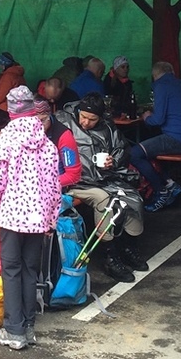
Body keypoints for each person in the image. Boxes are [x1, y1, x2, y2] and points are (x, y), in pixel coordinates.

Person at [0, 85, 62, 350]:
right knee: (30, 270)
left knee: (11, 270)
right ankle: (28, 327)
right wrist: (51, 219)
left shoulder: (5, 141)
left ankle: (14, 329)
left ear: (10, 111)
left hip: (12, 218)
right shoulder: (47, 145)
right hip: (38, 220)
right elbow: (54, 187)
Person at [55, 93, 147, 283]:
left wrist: (114, 161)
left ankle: (129, 248)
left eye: (92, 119)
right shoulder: (63, 121)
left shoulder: (107, 126)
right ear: (78, 111)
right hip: (74, 181)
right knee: (105, 200)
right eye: (83, 117)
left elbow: (121, 149)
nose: (86, 123)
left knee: (133, 199)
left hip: (103, 178)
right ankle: (110, 256)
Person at [132, 61, 181, 212]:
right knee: (149, 149)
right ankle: (170, 183)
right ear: (172, 72)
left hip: (179, 139)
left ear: (155, 75)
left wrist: (147, 116)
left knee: (134, 153)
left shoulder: (161, 86)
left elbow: (157, 120)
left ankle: (161, 191)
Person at [36, 97, 81, 189]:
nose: (38, 125)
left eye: (43, 120)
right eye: (33, 121)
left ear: (49, 116)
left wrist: (43, 186)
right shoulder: (22, 132)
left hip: (54, 187)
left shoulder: (64, 135)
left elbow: (73, 175)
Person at [0, 51, 27, 118]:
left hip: (8, 108)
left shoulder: (8, 77)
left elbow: (1, 97)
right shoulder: (18, 74)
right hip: (19, 107)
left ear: (3, 65)